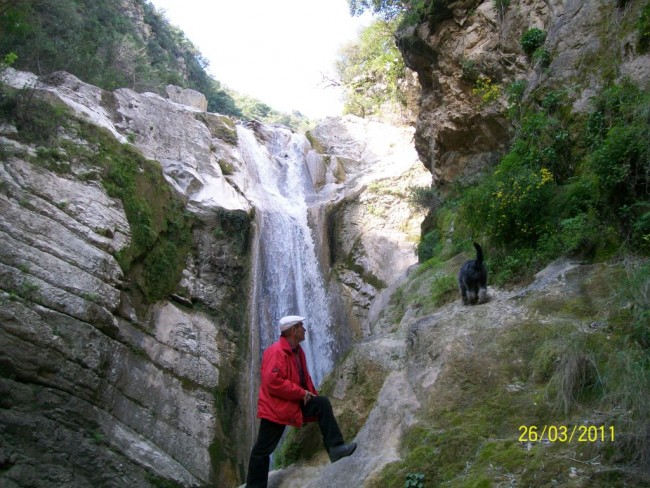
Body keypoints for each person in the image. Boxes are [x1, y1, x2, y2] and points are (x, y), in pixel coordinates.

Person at [245, 315, 357, 487]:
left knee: (321, 404)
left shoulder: (298, 351)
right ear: (293, 330)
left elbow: (304, 379)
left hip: (294, 403)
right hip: (276, 408)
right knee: (262, 450)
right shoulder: (275, 352)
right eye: (301, 327)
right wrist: (301, 393)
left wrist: (312, 395)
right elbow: (272, 382)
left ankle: (336, 448)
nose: (304, 330)